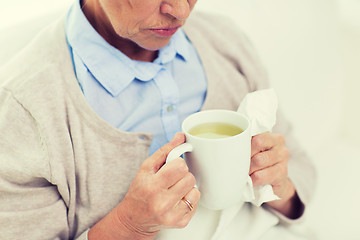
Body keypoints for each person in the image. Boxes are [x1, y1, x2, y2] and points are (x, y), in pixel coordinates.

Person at [0, 0, 316, 239]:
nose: (179, 10)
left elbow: (300, 169)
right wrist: (126, 225)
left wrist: (278, 186)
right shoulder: (25, 108)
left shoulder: (225, 41)